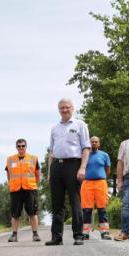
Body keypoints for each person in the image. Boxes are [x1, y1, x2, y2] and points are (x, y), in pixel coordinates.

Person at [46, 98, 91, 246]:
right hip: (57, 166)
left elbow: (86, 147)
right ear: (58, 110)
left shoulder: (80, 125)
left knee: (75, 201)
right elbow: (51, 152)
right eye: (61, 108)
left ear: (72, 108)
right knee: (57, 203)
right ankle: (56, 237)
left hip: (73, 165)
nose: (64, 110)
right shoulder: (54, 128)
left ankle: (78, 235)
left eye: (67, 107)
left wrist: (82, 167)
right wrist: (49, 172)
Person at [5, 138, 41, 242]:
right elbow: (8, 175)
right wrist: (13, 184)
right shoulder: (10, 159)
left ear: (26, 146)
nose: (21, 148)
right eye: (19, 146)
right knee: (15, 214)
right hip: (16, 190)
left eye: (23, 146)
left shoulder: (33, 158)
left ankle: (35, 234)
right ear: (16, 147)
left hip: (30, 189)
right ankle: (14, 235)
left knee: (32, 213)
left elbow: (37, 174)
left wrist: (33, 184)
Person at [81, 136, 112, 240]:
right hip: (87, 183)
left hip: (101, 183)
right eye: (92, 142)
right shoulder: (84, 155)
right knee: (87, 209)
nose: (94, 143)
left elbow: (108, 169)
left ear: (99, 144)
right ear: (89, 144)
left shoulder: (104, 155)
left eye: (96, 142)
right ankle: (85, 233)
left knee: (102, 208)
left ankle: (104, 232)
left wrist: (102, 177)